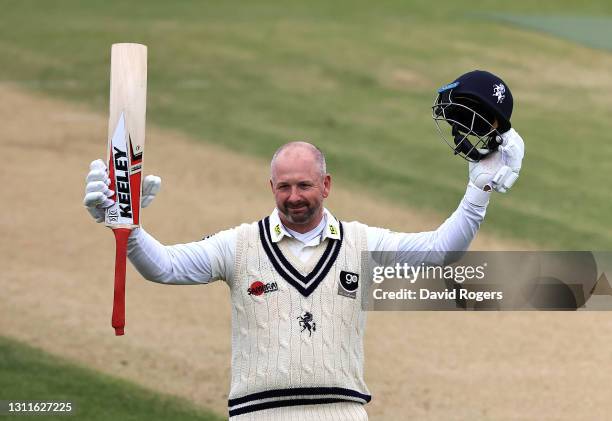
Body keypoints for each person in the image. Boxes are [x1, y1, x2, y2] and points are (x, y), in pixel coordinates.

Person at [83, 70, 525, 420]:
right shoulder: (239, 245)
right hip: (257, 415)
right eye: (284, 187)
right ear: (271, 186)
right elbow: (163, 267)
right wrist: (128, 227)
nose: (294, 197)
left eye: (305, 185)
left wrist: (479, 190)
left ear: (326, 185)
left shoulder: (360, 243)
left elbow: (438, 252)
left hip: (342, 413)